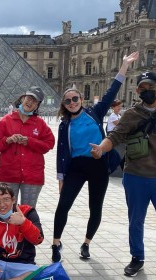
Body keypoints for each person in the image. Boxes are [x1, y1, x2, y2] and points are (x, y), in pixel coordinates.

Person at [89, 70, 156, 280]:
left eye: (150, 86)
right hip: (135, 176)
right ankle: (137, 257)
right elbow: (115, 136)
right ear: (137, 90)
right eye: (142, 88)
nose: (146, 91)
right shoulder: (131, 114)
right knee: (136, 221)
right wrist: (101, 148)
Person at [51, 51, 139, 262]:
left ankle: (86, 243)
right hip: (76, 167)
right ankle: (56, 243)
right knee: (63, 205)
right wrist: (60, 178)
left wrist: (124, 65)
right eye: (67, 101)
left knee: (95, 207)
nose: (72, 102)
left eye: (75, 98)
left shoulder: (95, 112)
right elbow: (61, 153)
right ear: (64, 105)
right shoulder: (65, 125)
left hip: (98, 164)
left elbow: (112, 91)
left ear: (81, 99)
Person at [0, 86, 55, 209]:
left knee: (28, 212)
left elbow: (49, 144)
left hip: (32, 176)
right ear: (22, 98)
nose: (30, 102)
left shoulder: (40, 124)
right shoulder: (5, 121)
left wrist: (30, 141)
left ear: (37, 106)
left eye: (34, 101)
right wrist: (8, 140)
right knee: (6, 211)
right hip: (9, 174)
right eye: (28, 98)